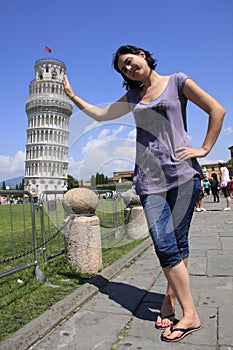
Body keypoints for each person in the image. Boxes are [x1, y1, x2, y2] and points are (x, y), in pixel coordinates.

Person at [62, 45, 226, 342]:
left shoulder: (177, 81)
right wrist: (72, 95)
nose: (128, 69)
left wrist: (204, 149)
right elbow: (101, 114)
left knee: (177, 244)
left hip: (183, 177)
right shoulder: (134, 97)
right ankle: (188, 312)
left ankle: (174, 305)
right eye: (123, 69)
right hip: (150, 181)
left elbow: (217, 110)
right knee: (164, 244)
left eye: (129, 62)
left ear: (141, 54)